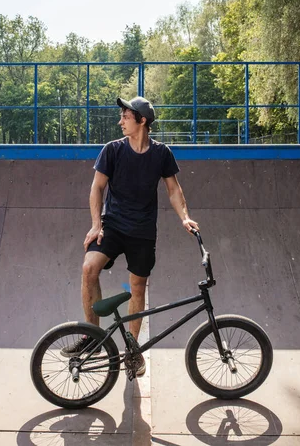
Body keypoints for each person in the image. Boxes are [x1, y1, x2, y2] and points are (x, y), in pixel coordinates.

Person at [62, 96, 199, 375]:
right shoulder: (112, 150)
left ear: (142, 121)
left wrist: (185, 217)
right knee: (89, 268)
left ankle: (133, 351)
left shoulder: (162, 154)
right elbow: (97, 188)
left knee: (137, 287)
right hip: (112, 226)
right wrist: (95, 225)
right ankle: (93, 338)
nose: (120, 121)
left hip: (142, 232)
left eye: (125, 116)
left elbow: (174, 190)